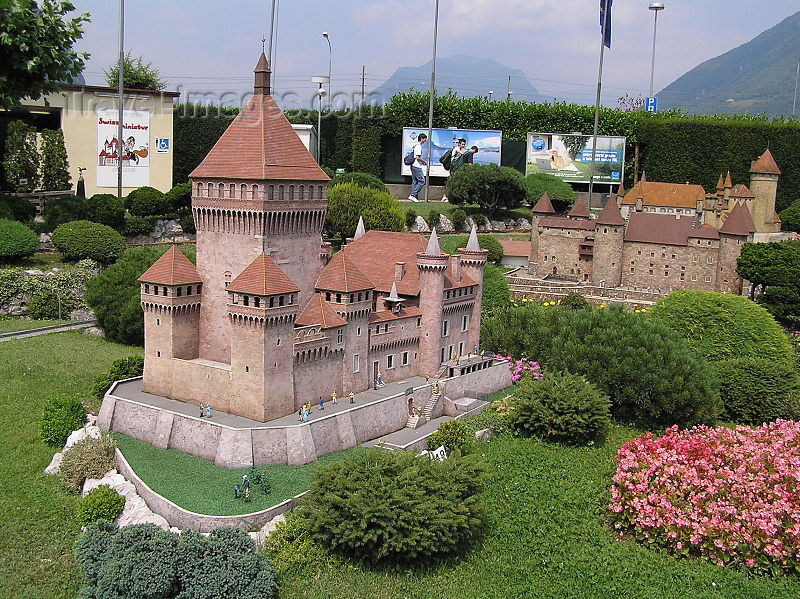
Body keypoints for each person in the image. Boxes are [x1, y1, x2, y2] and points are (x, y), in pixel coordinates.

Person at [409, 133, 427, 202]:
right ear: (422, 139)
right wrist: (424, 161)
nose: (425, 140)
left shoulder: (415, 145)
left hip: (413, 165)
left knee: (415, 181)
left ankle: (414, 197)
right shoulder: (419, 146)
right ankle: (413, 195)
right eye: (424, 139)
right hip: (416, 165)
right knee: (422, 181)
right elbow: (417, 157)